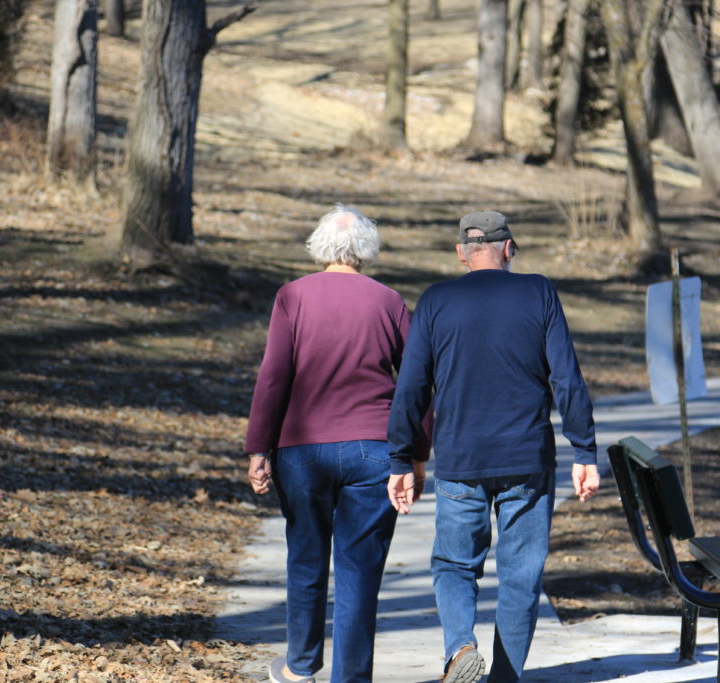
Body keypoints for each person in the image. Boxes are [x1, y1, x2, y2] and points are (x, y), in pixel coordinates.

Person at [386, 210, 599, 683]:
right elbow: (566, 377)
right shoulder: (538, 291)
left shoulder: (437, 300)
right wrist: (584, 451)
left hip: (461, 460)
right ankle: (505, 677)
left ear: (461, 252)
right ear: (508, 248)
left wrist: (403, 457)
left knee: (455, 565)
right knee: (521, 577)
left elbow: (413, 388)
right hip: (527, 460)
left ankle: (461, 646)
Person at [246, 204, 429, 683]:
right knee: (359, 569)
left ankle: (300, 667)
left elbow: (273, 377)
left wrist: (259, 448)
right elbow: (416, 382)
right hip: (375, 448)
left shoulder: (293, 296)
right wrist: (416, 454)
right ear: (365, 251)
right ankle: (350, 679)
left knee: (306, 556)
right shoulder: (388, 301)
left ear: (320, 247)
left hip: (302, 449)